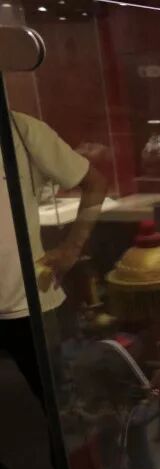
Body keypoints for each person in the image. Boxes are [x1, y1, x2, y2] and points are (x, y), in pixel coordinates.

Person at [1, 112, 108, 405]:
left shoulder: (21, 129)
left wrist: (72, 247)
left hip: (25, 304)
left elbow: (95, 183)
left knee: (54, 402)